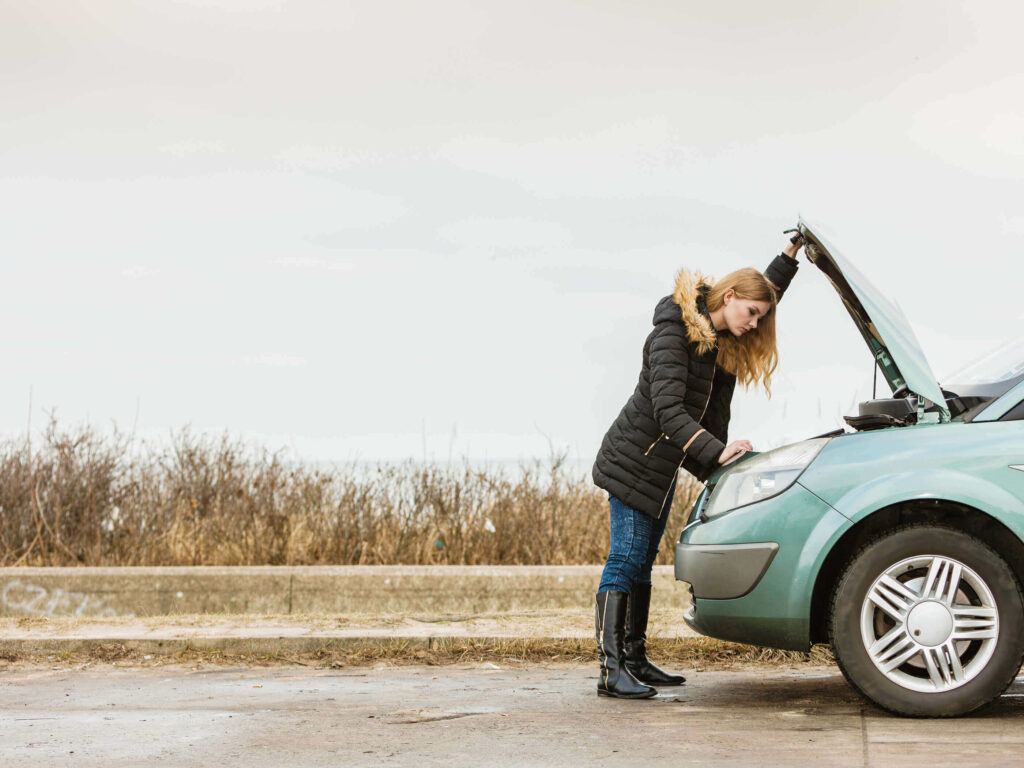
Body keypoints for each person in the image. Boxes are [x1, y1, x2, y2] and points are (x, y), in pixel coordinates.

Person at [590, 232, 804, 699]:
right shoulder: (673, 335)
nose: (755, 324)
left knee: (641, 563)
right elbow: (668, 412)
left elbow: (762, 292)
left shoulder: (722, 330)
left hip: (661, 466)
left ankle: (634, 659)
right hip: (634, 461)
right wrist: (715, 452)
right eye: (751, 314)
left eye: (761, 317)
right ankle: (611, 671)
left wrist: (789, 258)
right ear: (729, 298)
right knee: (624, 560)